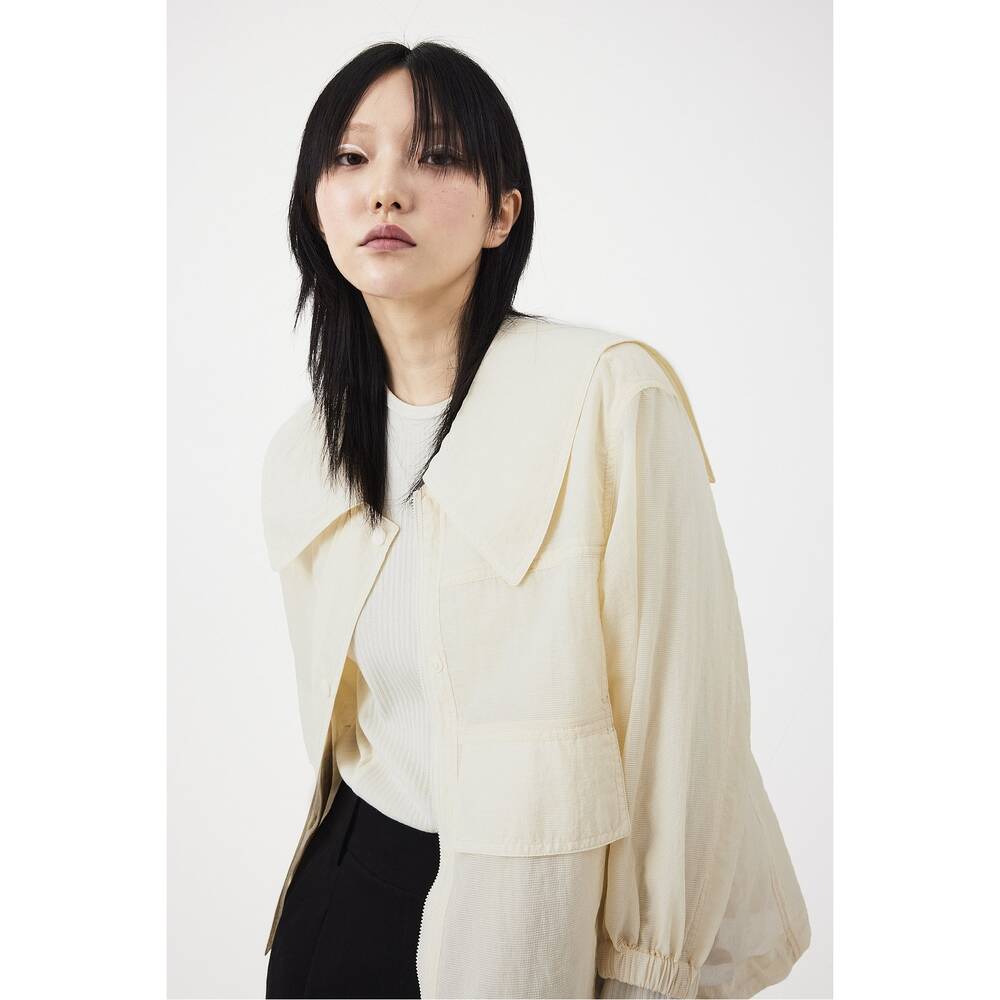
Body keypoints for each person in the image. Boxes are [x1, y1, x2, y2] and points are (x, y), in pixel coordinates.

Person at [261, 40, 810, 1000]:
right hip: (344, 894)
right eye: (350, 157)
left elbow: (683, 728)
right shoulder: (306, 450)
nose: (385, 189)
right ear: (317, 203)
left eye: (435, 155)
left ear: (502, 212)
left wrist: (649, 973)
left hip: (530, 918)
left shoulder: (610, 397)